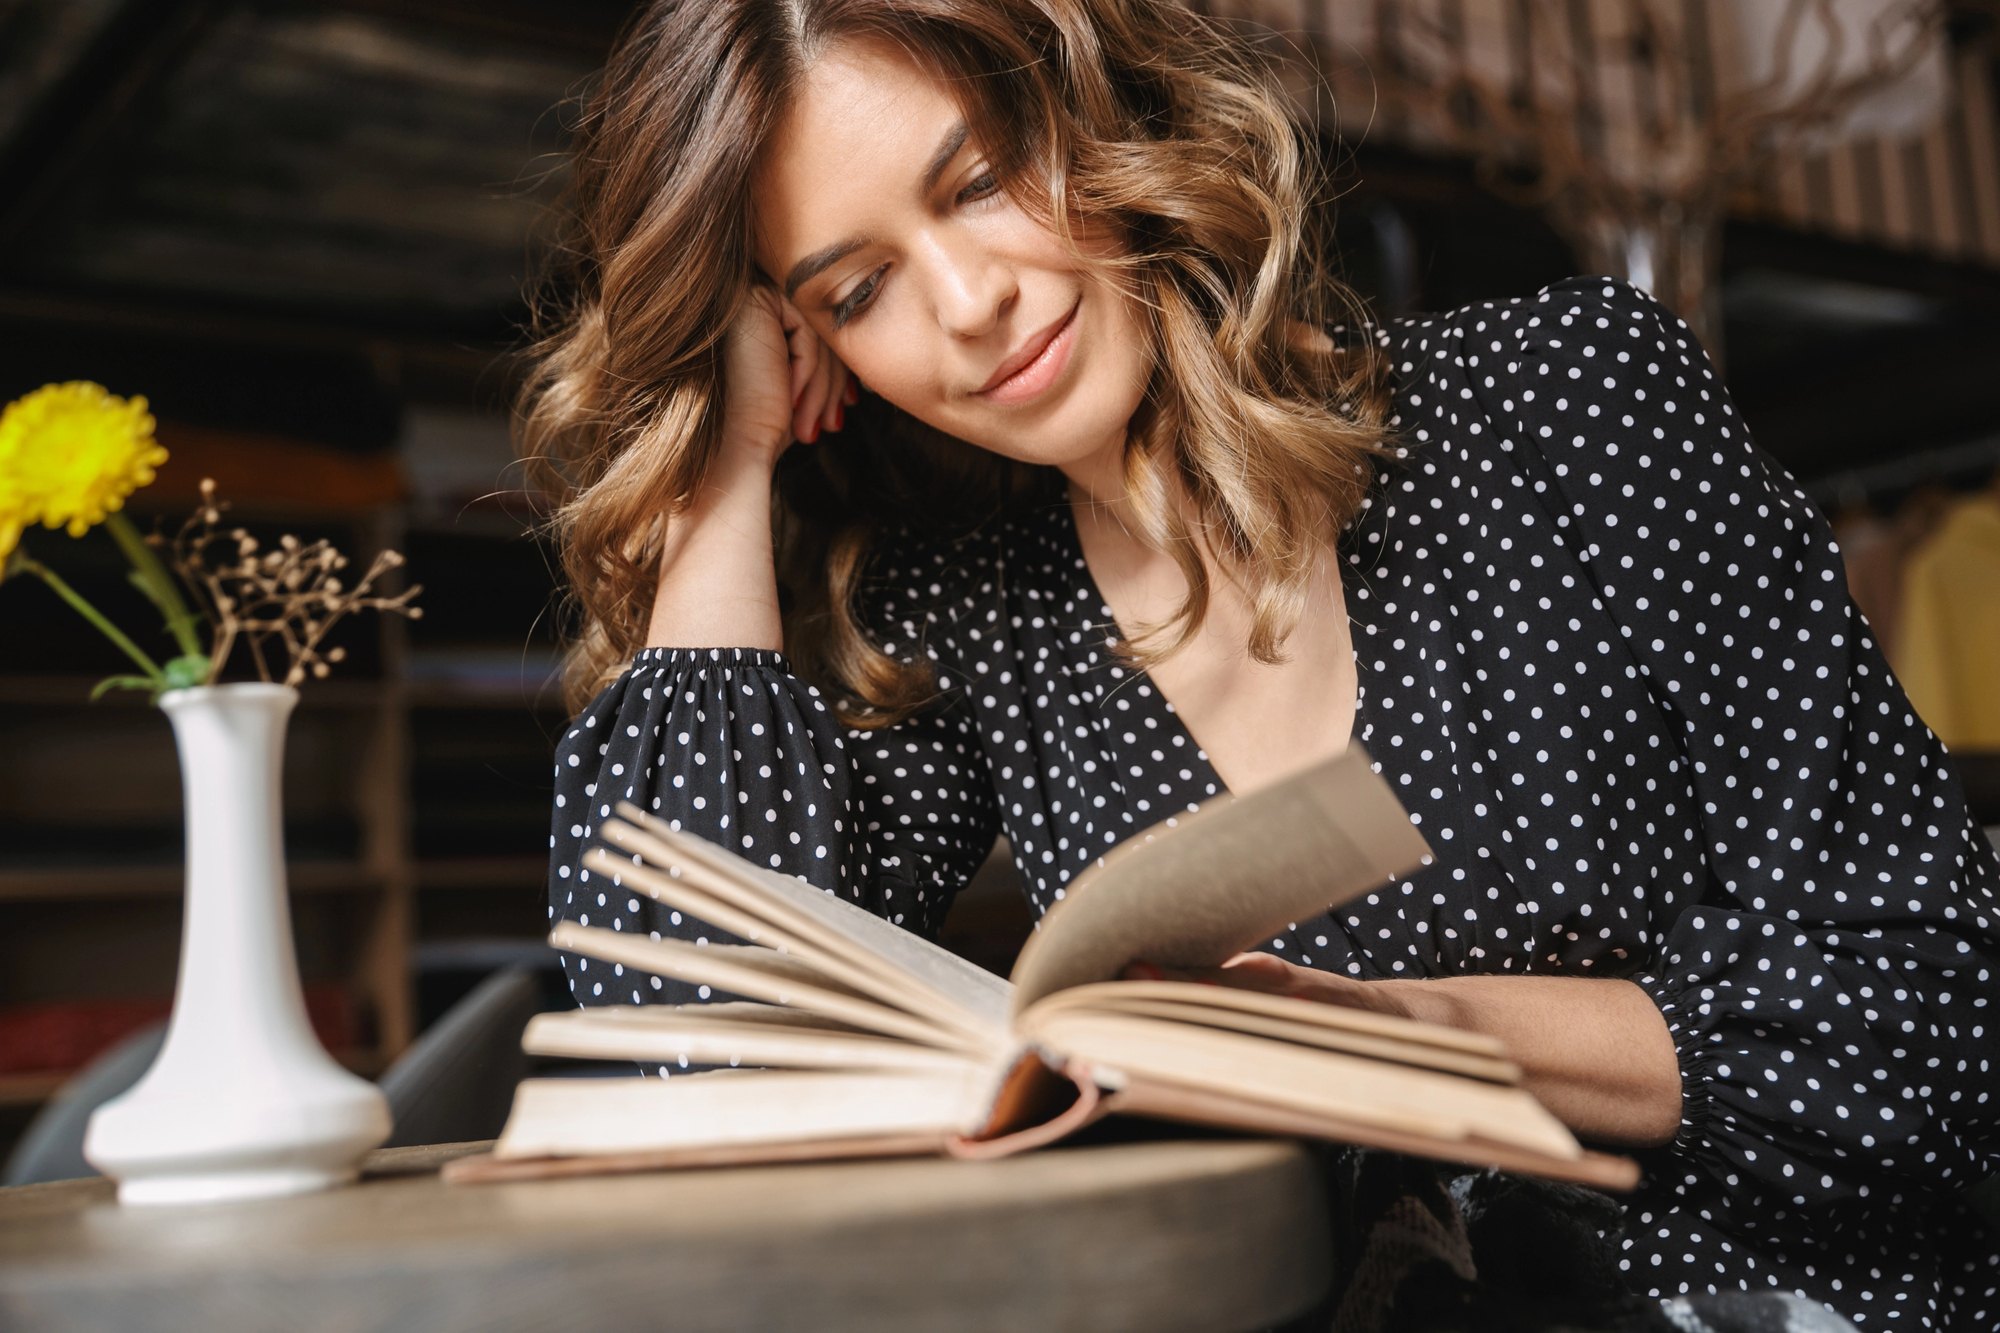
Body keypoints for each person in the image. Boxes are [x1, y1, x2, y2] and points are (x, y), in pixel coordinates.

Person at [520, 0, 2000, 1325]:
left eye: (977, 181)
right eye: (856, 292)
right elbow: (686, 1060)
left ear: (1096, 114)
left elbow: (1940, 1025)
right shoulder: (976, 615)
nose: (968, 303)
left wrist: (1395, 1037)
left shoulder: (1573, 397)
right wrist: (721, 459)